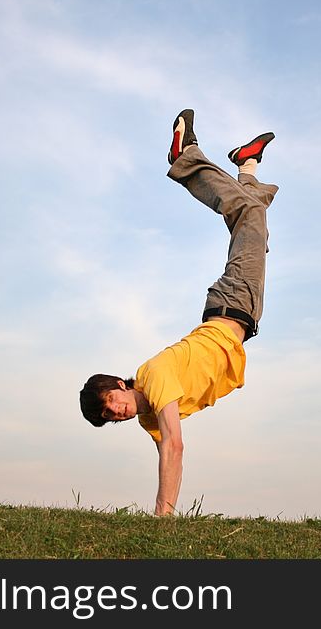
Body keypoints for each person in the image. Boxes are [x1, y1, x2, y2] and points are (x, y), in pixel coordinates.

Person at [79, 109, 278, 516]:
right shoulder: (148, 417)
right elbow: (165, 450)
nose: (117, 411)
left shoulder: (152, 377)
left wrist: (162, 515)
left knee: (249, 217)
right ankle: (247, 163)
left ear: (120, 382)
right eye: (110, 416)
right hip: (243, 314)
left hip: (232, 303)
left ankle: (185, 157)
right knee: (253, 218)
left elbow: (175, 445)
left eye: (111, 400)